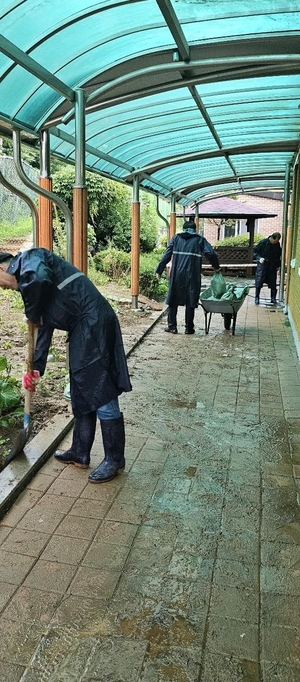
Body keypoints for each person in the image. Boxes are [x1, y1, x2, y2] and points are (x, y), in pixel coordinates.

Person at [0, 248, 132, 484]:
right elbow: (42, 328)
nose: (2, 288)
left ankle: (115, 458)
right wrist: (36, 369)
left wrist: (31, 311)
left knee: (102, 390)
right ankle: (80, 452)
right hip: (83, 328)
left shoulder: (30, 260)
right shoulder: (32, 285)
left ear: (1, 268)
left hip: (94, 325)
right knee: (82, 388)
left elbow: (39, 280)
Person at [155, 218, 220, 334]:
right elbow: (210, 253)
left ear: (184, 229)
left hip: (177, 274)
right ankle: (189, 328)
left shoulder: (176, 238)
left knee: (173, 299)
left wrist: (159, 270)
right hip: (193, 275)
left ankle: (172, 326)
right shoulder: (199, 240)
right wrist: (216, 266)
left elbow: (167, 254)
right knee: (190, 300)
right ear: (194, 229)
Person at [253, 232, 281, 305]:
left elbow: (278, 256)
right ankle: (257, 297)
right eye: (275, 241)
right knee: (259, 281)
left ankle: (273, 298)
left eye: (277, 242)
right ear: (272, 238)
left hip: (272, 265)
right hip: (263, 264)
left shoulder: (277, 245)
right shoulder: (263, 242)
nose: (275, 243)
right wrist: (259, 258)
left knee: (273, 282)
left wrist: (278, 265)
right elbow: (255, 251)